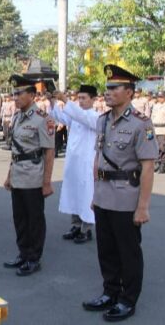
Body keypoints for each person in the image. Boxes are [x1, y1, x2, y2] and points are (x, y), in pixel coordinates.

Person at [83, 64, 158, 322]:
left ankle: (128, 299)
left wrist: (143, 206)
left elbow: (148, 167)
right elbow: (97, 159)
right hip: (104, 195)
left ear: (130, 92)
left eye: (115, 88)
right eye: (107, 88)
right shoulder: (103, 120)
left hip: (127, 197)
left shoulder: (141, 124)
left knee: (128, 252)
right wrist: (94, 195)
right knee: (106, 249)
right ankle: (110, 291)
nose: (108, 92)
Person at [3, 75, 55, 276]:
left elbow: (49, 153)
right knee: (20, 218)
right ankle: (23, 253)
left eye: (19, 93)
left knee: (34, 219)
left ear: (32, 95)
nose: (15, 97)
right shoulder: (17, 117)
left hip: (34, 176)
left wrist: (47, 182)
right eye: (14, 93)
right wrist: (9, 176)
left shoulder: (42, 119)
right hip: (18, 174)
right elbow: (16, 152)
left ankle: (34, 258)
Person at [51, 85, 98, 244]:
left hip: (87, 164)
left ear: (93, 99)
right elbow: (61, 117)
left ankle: (87, 228)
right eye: (80, 98)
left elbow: (80, 116)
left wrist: (65, 99)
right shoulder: (76, 114)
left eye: (84, 98)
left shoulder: (95, 116)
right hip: (74, 163)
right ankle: (76, 225)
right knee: (73, 194)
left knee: (86, 195)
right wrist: (53, 102)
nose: (81, 101)